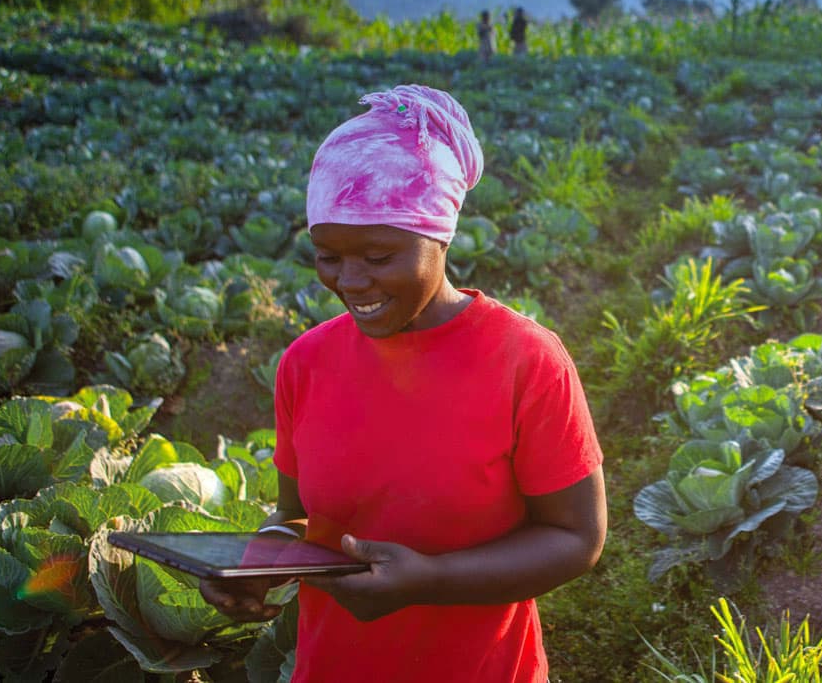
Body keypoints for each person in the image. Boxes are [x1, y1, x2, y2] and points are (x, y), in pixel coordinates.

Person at [200, 85, 605, 682]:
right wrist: (259, 559)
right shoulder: (305, 362)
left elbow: (576, 538)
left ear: (438, 237)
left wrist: (433, 582)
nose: (351, 281)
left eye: (378, 254)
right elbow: (296, 517)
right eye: (328, 256)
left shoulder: (525, 359)